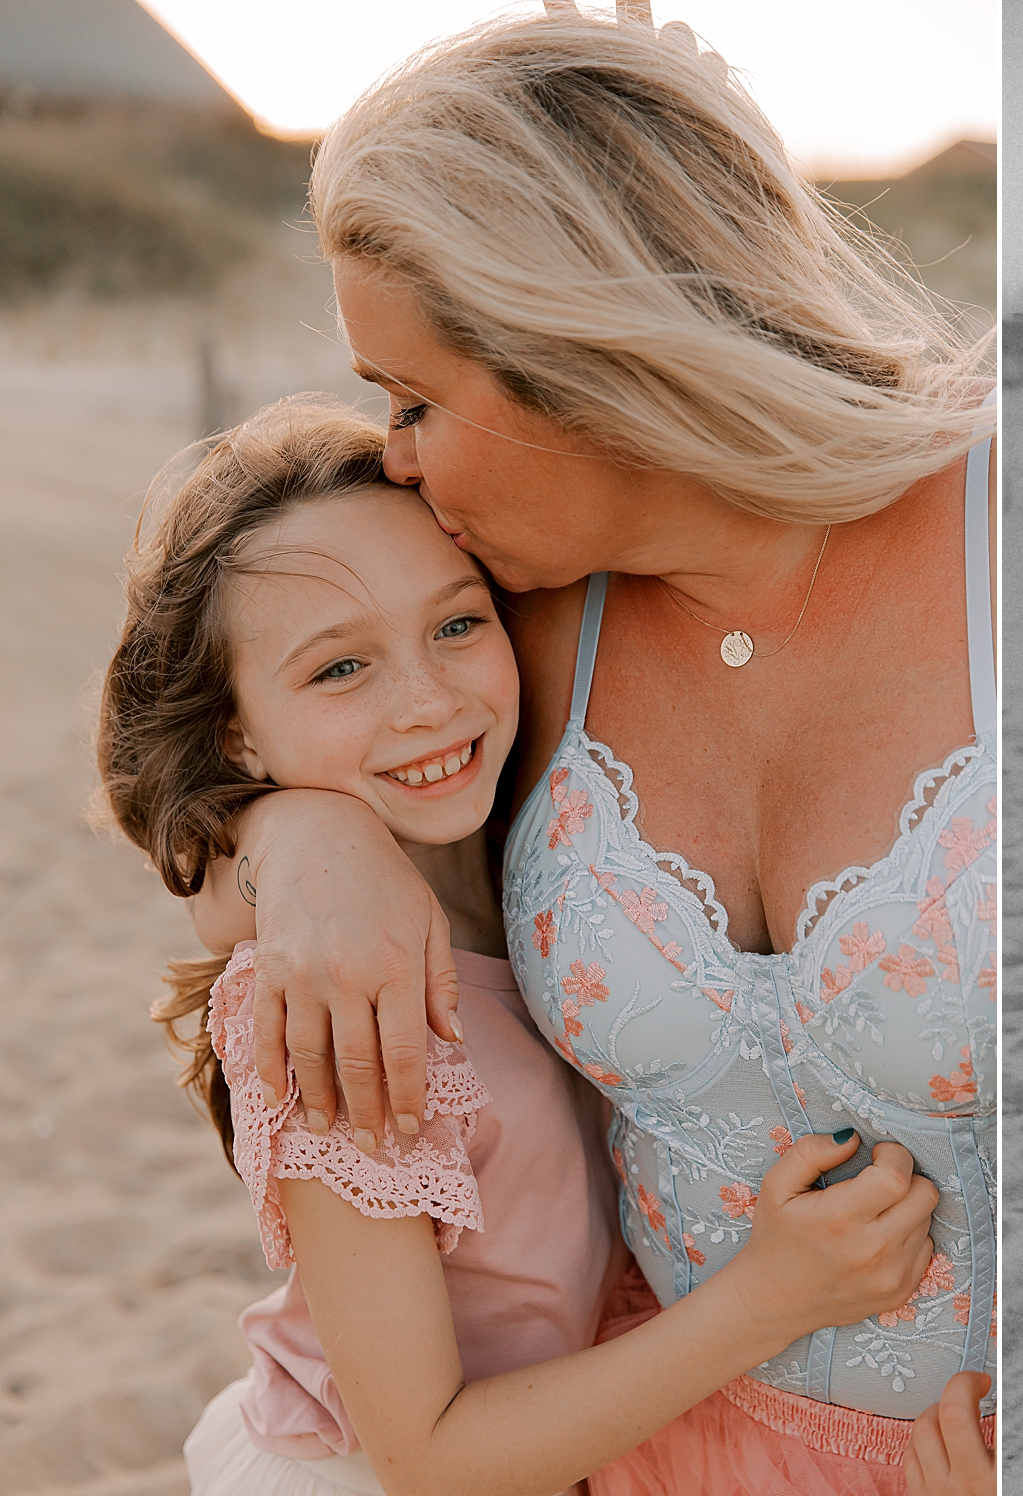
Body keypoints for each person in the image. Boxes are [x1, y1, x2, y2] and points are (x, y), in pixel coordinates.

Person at [187, 11, 996, 1493]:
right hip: (649, 1449)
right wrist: (302, 845)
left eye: (418, 399)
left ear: (585, 353)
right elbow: (232, 761)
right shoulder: (518, 619)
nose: (401, 461)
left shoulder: (1018, 539)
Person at [98, 400, 938, 1496]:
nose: (429, 702)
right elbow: (426, 1455)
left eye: (456, 625)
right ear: (236, 735)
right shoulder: (337, 1003)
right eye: (338, 670)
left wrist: (298, 826)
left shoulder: (537, 852)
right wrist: (770, 1297)